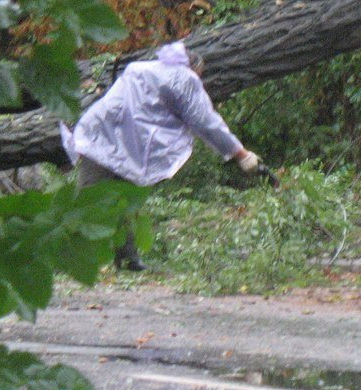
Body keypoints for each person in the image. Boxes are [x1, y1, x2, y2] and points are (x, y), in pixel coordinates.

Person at [60, 42, 261, 271]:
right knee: (107, 200)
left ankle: (124, 259)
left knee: (98, 197)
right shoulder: (184, 79)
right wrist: (240, 154)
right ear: (193, 68)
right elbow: (205, 122)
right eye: (200, 75)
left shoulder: (141, 69)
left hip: (99, 133)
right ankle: (77, 258)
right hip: (112, 138)